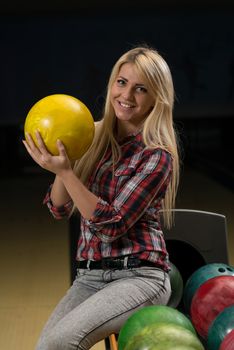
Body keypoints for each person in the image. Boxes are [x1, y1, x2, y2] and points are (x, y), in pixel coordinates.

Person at [23, 45, 180, 350]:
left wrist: (68, 172)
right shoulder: (92, 136)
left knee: (61, 343)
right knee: (47, 347)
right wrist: (61, 162)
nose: (127, 95)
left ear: (155, 99)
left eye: (140, 89)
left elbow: (111, 225)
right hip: (90, 276)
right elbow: (58, 207)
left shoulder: (157, 156)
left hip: (140, 277)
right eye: (121, 83)